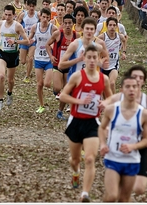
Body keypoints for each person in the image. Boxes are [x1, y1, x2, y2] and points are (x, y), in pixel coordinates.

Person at [59, 44, 112, 202]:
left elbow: (112, 98)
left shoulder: (104, 79)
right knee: (75, 160)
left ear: (98, 60)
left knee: (89, 159)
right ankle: (76, 173)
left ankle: (85, 194)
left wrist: (105, 103)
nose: (91, 60)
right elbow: (63, 96)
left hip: (92, 123)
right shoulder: (77, 76)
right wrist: (79, 101)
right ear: (84, 57)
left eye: (94, 58)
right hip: (76, 122)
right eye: (88, 57)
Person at [104, 65, 147, 199]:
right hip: (118, 147)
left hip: (139, 147)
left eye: (141, 78)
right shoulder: (118, 98)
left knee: (139, 189)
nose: (138, 80)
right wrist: (106, 129)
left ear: (144, 81)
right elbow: (105, 109)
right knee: (115, 194)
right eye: (135, 77)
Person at [98, 75, 147, 202]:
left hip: (132, 160)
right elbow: (101, 128)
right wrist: (102, 144)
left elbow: (146, 140)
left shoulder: (144, 114)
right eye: (128, 86)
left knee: (124, 199)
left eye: (135, 87)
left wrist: (132, 146)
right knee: (112, 196)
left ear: (139, 90)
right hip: (113, 158)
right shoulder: (111, 110)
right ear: (121, 90)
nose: (131, 89)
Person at [0, 5, 33, 111]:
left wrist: (15, 41)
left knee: (10, 80)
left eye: (10, 15)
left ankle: (10, 93)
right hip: (2, 53)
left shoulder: (17, 26)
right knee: (2, 76)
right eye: (6, 14)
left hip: (13, 54)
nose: (7, 17)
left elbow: (27, 41)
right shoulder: (0, 23)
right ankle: (0, 101)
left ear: (14, 15)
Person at [46, 14, 80, 120]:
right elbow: (47, 45)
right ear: (63, 24)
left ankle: (60, 112)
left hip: (70, 67)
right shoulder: (58, 34)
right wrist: (51, 56)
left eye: (70, 23)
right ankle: (56, 92)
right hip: (58, 65)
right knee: (57, 88)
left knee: (67, 91)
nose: (68, 25)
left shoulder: (77, 36)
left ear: (73, 24)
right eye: (66, 23)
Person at [28, 8, 56, 113]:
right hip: (38, 58)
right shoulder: (35, 27)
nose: (45, 19)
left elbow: (58, 39)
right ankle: (41, 105)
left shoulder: (53, 28)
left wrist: (53, 45)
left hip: (49, 59)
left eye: (47, 17)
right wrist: (29, 41)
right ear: (40, 17)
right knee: (39, 84)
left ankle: (57, 85)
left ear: (49, 18)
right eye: (43, 17)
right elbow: (29, 38)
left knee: (47, 84)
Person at [96, 17, 127, 94]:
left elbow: (124, 41)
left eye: (114, 25)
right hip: (103, 66)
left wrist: (124, 52)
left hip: (114, 65)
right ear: (107, 26)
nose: (112, 27)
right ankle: (106, 101)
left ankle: (114, 101)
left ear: (117, 26)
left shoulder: (119, 36)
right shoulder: (102, 37)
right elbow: (94, 44)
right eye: (110, 25)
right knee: (103, 86)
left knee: (112, 83)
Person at [15, 0, 39, 83]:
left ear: (35, 6)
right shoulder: (23, 15)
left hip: (33, 40)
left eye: (33, 6)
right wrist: (21, 30)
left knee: (31, 58)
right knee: (23, 61)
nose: (32, 8)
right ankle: (19, 53)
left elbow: (43, 24)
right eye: (30, 6)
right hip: (24, 40)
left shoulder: (37, 15)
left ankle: (27, 76)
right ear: (27, 6)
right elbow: (16, 24)